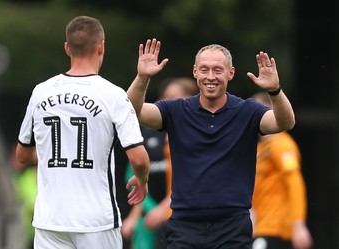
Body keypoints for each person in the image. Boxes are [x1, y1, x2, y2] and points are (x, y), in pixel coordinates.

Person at [127, 38, 296, 249]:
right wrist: (142, 77)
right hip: (184, 225)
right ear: (195, 72)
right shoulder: (176, 110)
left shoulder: (247, 111)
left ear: (230, 73)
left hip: (232, 226)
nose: (210, 77)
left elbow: (285, 122)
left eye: (218, 70)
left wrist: (275, 91)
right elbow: (133, 111)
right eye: (204, 69)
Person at [15, 16, 150, 249]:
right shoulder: (113, 94)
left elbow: (23, 155)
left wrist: (54, 154)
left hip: (50, 220)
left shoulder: (40, 92)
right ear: (101, 46)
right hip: (96, 220)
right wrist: (143, 179)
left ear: (67, 48)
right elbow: (138, 159)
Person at [122, 77, 198, 249]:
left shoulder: (195, 138)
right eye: (165, 96)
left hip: (180, 216)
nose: (165, 101)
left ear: (191, 99)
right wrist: (138, 214)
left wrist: (162, 210)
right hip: (149, 216)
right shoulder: (149, 135)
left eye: (173, 96)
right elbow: (136, 177)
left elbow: (188, 182)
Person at [251, 92, 313, 249]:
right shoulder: (260, 148)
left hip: (277, 228)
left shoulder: (281, 144)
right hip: (262, 227)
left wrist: (298, 225)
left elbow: (295, 183)